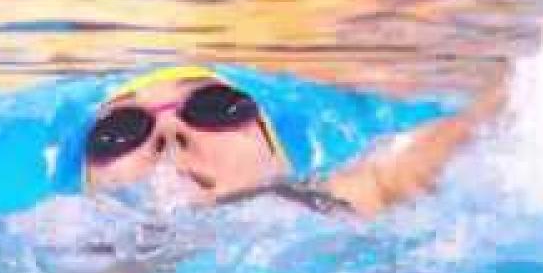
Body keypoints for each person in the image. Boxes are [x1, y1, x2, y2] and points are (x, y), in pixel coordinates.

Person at [77, 65, 508, 218]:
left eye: (214, 107)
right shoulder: (56, 240)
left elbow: (409, 167)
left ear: (276, 151)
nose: (168, 134)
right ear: (87, 183)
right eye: (120, 132)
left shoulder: (312, 203)